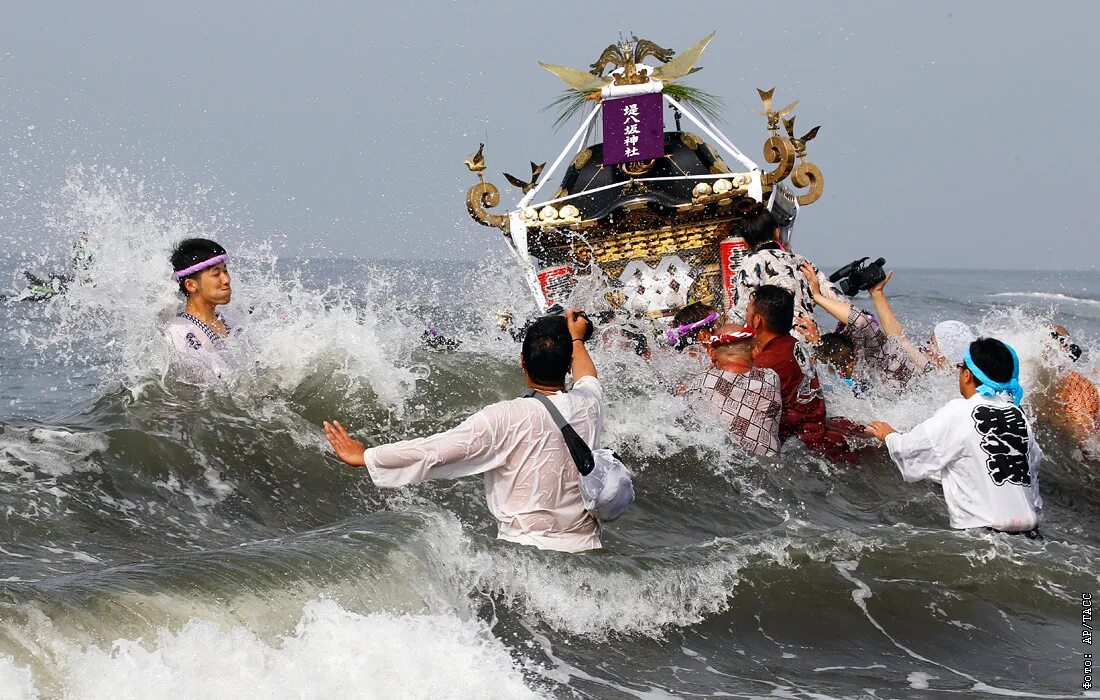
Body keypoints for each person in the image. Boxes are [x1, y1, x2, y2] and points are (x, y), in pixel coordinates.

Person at [323, 309, 605, 553]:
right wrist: (577, 340)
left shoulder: (506, 416)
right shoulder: (589, 404)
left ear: (522, 361)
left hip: (530, 554)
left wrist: (367, 456)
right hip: (587, 551)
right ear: (568, 364)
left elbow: (435, 451)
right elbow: (587, 375)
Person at [865, 338, 1043, 535]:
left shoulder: (959, 410)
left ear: (967, 375)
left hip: (985, 535)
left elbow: (909, 450)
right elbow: (1032, 473)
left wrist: (889, 435)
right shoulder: (1018, 415)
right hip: (1031, 535)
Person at [747, 285, 864, 463]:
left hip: (804, 449)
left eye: (747, 310)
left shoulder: (768, 362)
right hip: (819, 432)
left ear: (757, 320)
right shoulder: (793, 344)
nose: (745, 315)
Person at [800, 263, 918, 391]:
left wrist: (817, 296)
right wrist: (877, 293)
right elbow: (899, 338)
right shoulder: (892, 361)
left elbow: (860, 321)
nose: (929, 345)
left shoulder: (869, 368)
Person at [727, 203, 843, 327]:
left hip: (774, 336)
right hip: (808, 334)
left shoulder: (752, 261)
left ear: (745, 243)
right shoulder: (801, 261)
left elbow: (739, 315)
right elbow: (839, 300)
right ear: (777, 232)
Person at [685, 325, 782, 457]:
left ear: (712, 353)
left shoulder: (702, 381)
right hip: (771, 461)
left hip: (726, 458)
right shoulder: (771, 377)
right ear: (755, 351)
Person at [166, 238, 233, 376]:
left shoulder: (232, 321)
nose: (226, 280)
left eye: (225, 271)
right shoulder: (179, 333)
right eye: (216, 274)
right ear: (191, 285)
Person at [1045, 326, 1099, 444]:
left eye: (1051, 337)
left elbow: (1084, 437)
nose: (1044, 344)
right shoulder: (1079, 380)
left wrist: (1051, 419)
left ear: (1064, 348)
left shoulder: (1072, 388)